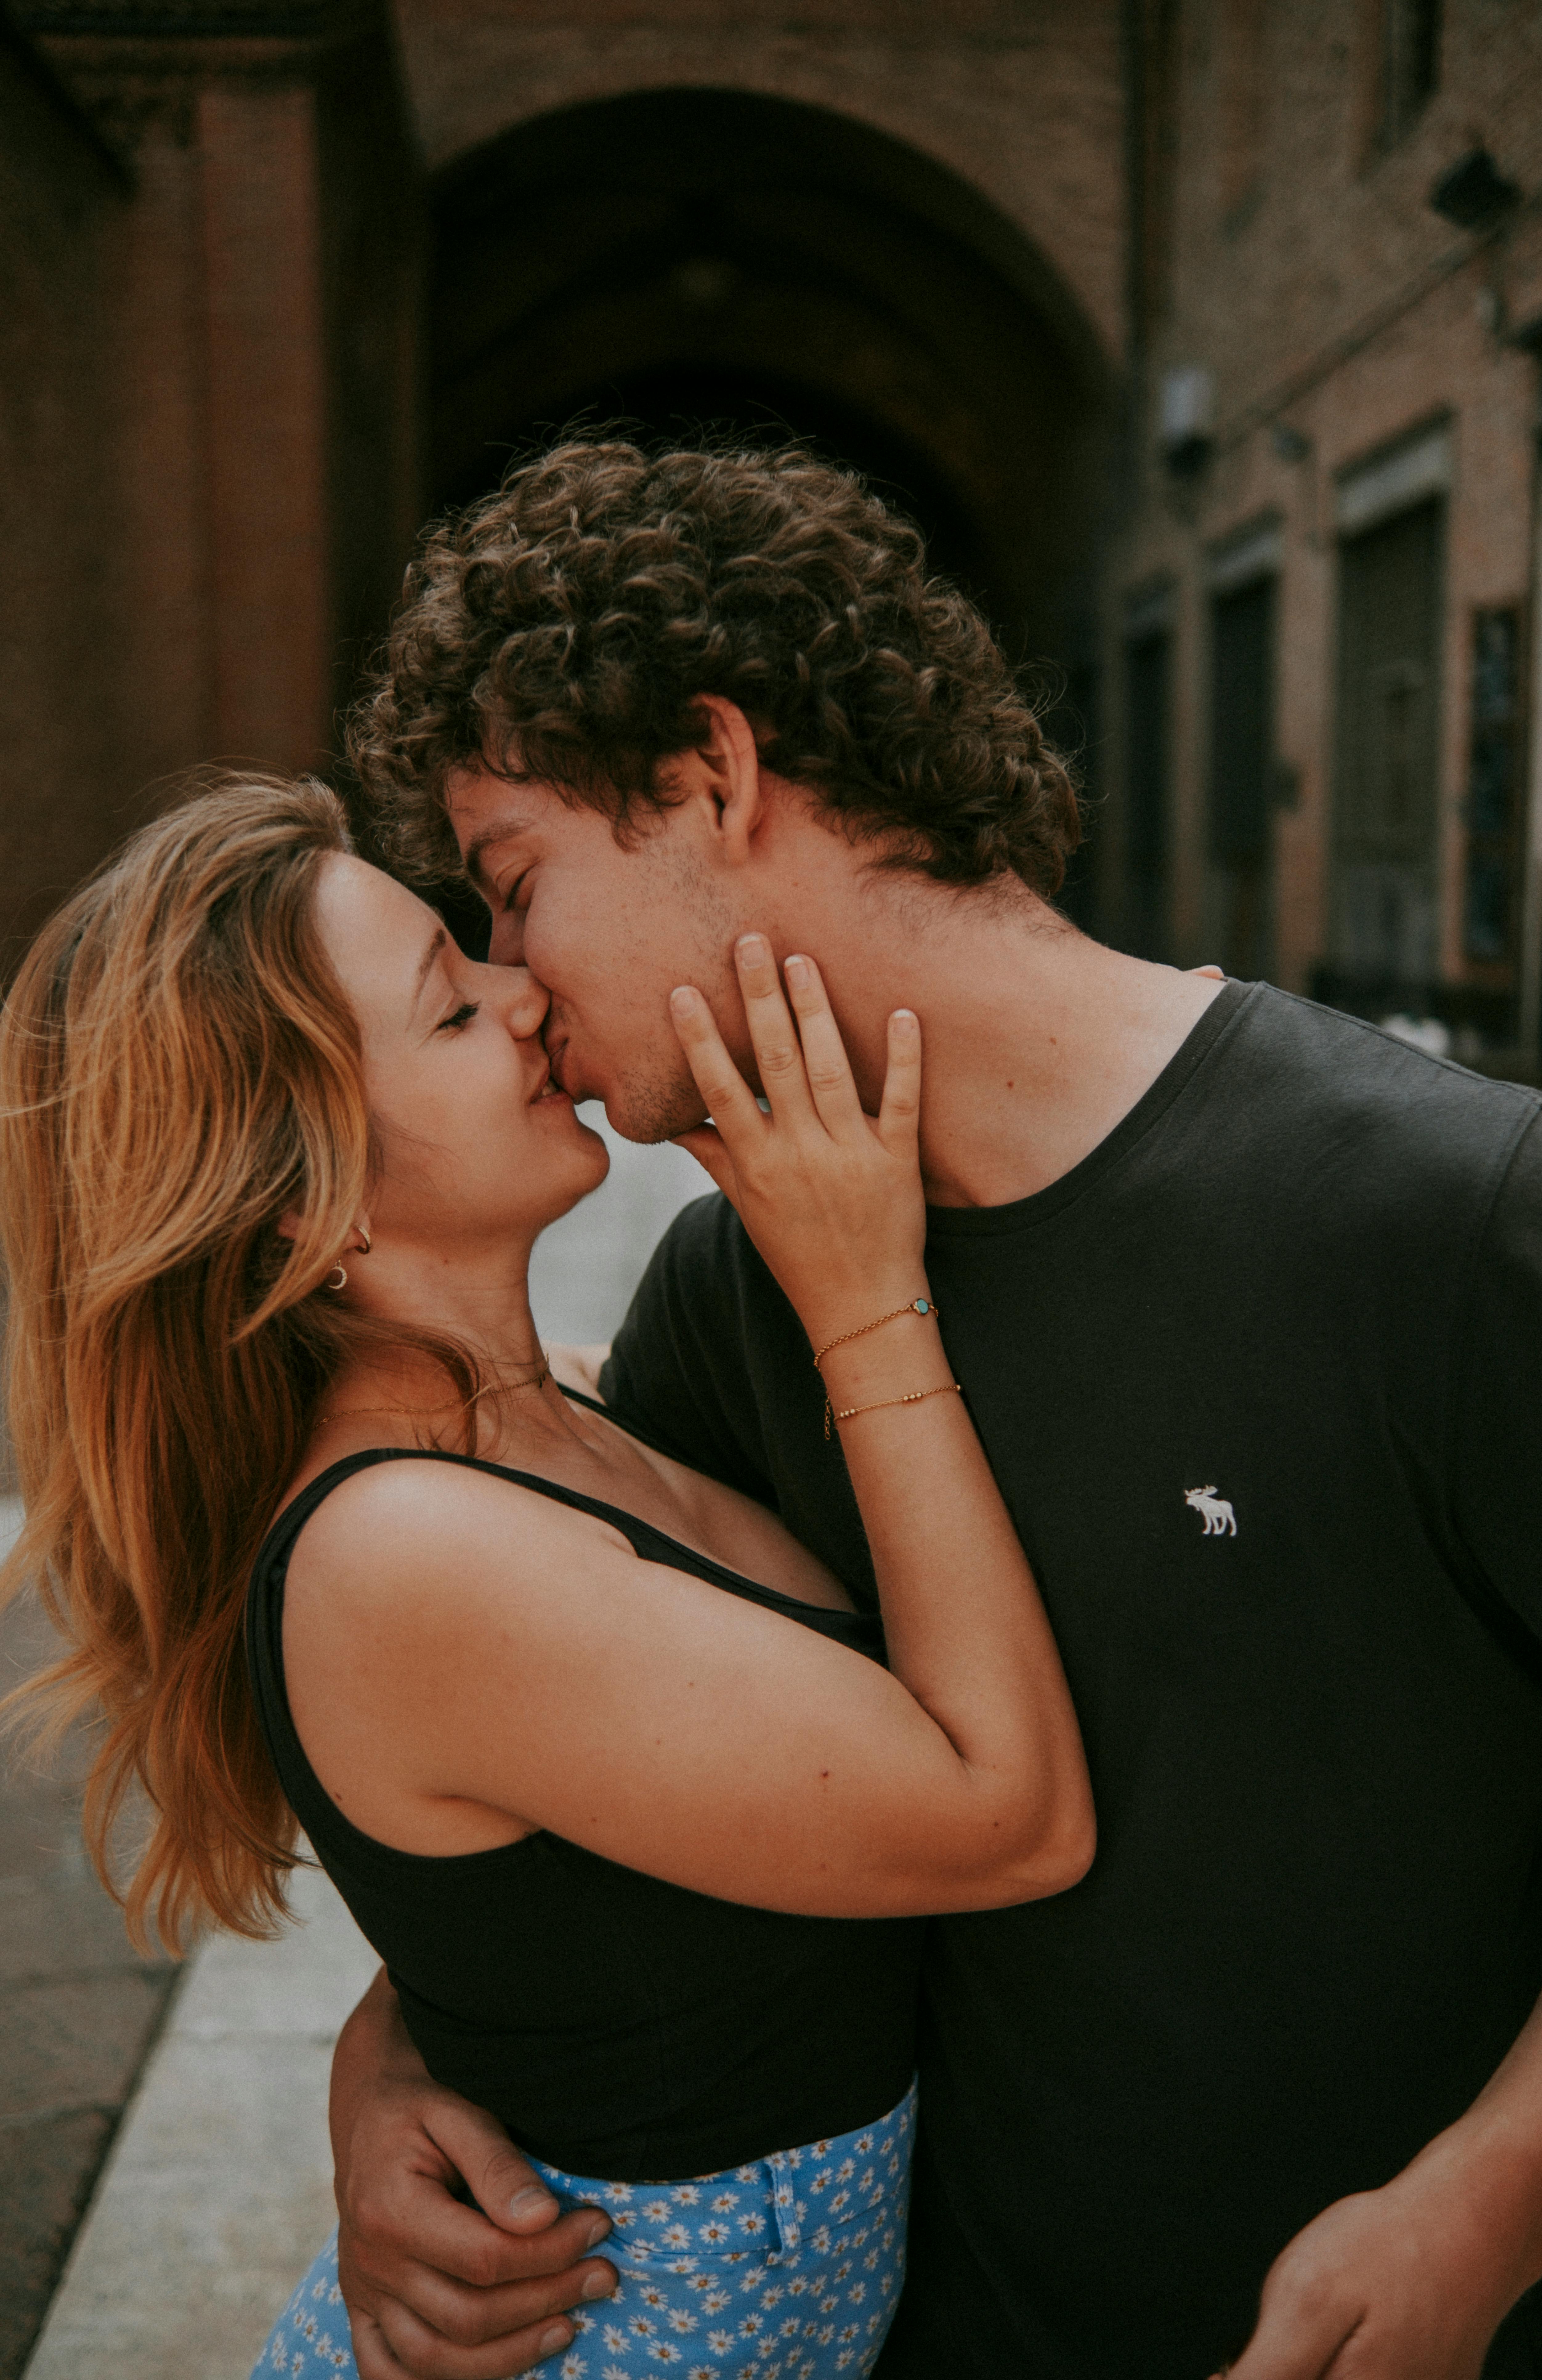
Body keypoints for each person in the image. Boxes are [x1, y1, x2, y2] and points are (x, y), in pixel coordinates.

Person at [328, 438, 1542, 2380]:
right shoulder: (732, 1291)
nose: (512, 986)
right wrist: (386, 2062)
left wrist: (1499, 2196)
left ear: (713, 776)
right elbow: (614, 1805)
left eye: (513, 890)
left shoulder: (1449, 1211)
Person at [0, 776, 1095, 2380]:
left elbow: (548, 1899)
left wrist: (380, 2062)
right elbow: (1010, 1819)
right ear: (312, 1199)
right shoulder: (407, 1553)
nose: (524, 997)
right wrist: (866, 1302)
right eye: (450, 1010)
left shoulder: (549, 1410)